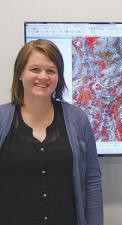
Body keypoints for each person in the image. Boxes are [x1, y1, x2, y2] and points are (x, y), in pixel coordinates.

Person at [0, 39, 103, 225]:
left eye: (51, 71)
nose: (43, 77)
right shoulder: (1, 119)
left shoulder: (77, 119)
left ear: (58, 77)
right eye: (35, 69)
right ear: (20, 74)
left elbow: (92, 181)